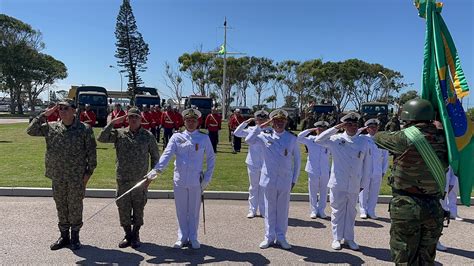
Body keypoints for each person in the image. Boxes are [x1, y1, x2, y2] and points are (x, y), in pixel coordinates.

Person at [373, 98, 448, 264]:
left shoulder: (404, 138)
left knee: (404, 257)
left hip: (406, 206)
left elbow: (378, 137)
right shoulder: (445, 139)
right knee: (427, 258)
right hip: (434, 207)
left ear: (408, 118)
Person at [26, 99, 97, 251]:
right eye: (60, 108)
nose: (62, 111)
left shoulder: (84, 129)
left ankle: (75, 237)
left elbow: (92, 156)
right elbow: (30, 130)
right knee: (61, 206)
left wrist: (86, 177)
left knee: (75, 207)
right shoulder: (51, 128)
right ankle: (64, 236)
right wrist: (45, 114)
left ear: (74, 111)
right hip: (57, 176)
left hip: (76, 178)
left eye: (66, 108)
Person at [146, 108, 215, 249]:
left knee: (194, 210)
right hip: (180, 179)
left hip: (196, 180)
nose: (191, 123)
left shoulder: (203, 138)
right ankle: (182, 236)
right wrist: (156, 170)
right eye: (188, 120)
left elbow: (211, 158)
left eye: (193, 120)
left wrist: (207, 178)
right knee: (181, 210)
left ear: (197, 122)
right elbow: (167, 154)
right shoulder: (176, 137)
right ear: (184, 122)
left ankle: (193, 237)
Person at [97, 107, 160, 248]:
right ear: (127, 119)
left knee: (138, 208)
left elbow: (156, 158)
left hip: (140, 180)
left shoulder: (148, 136)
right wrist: (113, 122)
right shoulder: (119, 134)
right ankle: (127, 234)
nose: (133, 119)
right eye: (131, 117)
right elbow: (101, 138)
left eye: (136, 117)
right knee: (123, 208)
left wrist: (151, 177)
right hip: (123, 179)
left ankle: (136, 234)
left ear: (140, 119)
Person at [313, 112, 371, 251]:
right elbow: (318, 140)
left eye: (355, 124)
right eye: (349, 124)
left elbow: (366, 166)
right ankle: (337, 238)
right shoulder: (335, 139)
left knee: (351, 212)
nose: (352, 127)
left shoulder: (363, 141)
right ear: (344, 126)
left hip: (354, 183)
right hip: (338, 182)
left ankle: (349, 238)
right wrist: (336, 127)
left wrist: (363, 184)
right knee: (337, 211)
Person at [245, 109, 301, 250]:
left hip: (285, 179)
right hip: (268, 179)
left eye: (282, 121)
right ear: (272, 122)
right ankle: (269, 237)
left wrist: (294, 179)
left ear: (286, 122)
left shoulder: (292, 138)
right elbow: (248, 140)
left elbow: (298, 161)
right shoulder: (264, 135)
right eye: (276, 121)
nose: (279, 123)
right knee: (269, 209)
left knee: (283, 210)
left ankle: (281, 237)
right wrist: (261, 126)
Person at [233, 110, 270, 218]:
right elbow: (237, 133)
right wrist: (246, 122)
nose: (261, 121)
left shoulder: (270, 131)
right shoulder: (251, 129)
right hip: (252, 162)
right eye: (258, 119)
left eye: (263, 119)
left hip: (266, 163)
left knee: (264, 187)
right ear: (256, 119)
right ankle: (252, 210)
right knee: (253, 187)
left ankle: (263, 210)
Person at [297, 121, 331, 219]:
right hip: (313, 169)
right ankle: (313, 210)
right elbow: (299, 137)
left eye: (323, 129)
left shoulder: (329, 141)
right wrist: (310, 130)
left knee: (324, 191)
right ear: (316, 130)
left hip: (325, 169)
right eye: (319, 129)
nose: (321, 131)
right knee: (313, 191)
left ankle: (321, 210)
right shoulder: (311, 139)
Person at [358, 118, 389, 219]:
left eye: (375, 127)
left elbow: (385, 157)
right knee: (363, 190)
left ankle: (371, 210)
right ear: (367, 129)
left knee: (374, 192)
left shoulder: (381, 140)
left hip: (377, 170)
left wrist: (384, 171)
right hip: (365, 170)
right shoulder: (362, 139)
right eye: (371, 128)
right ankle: (363, 210)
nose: (373, 129)